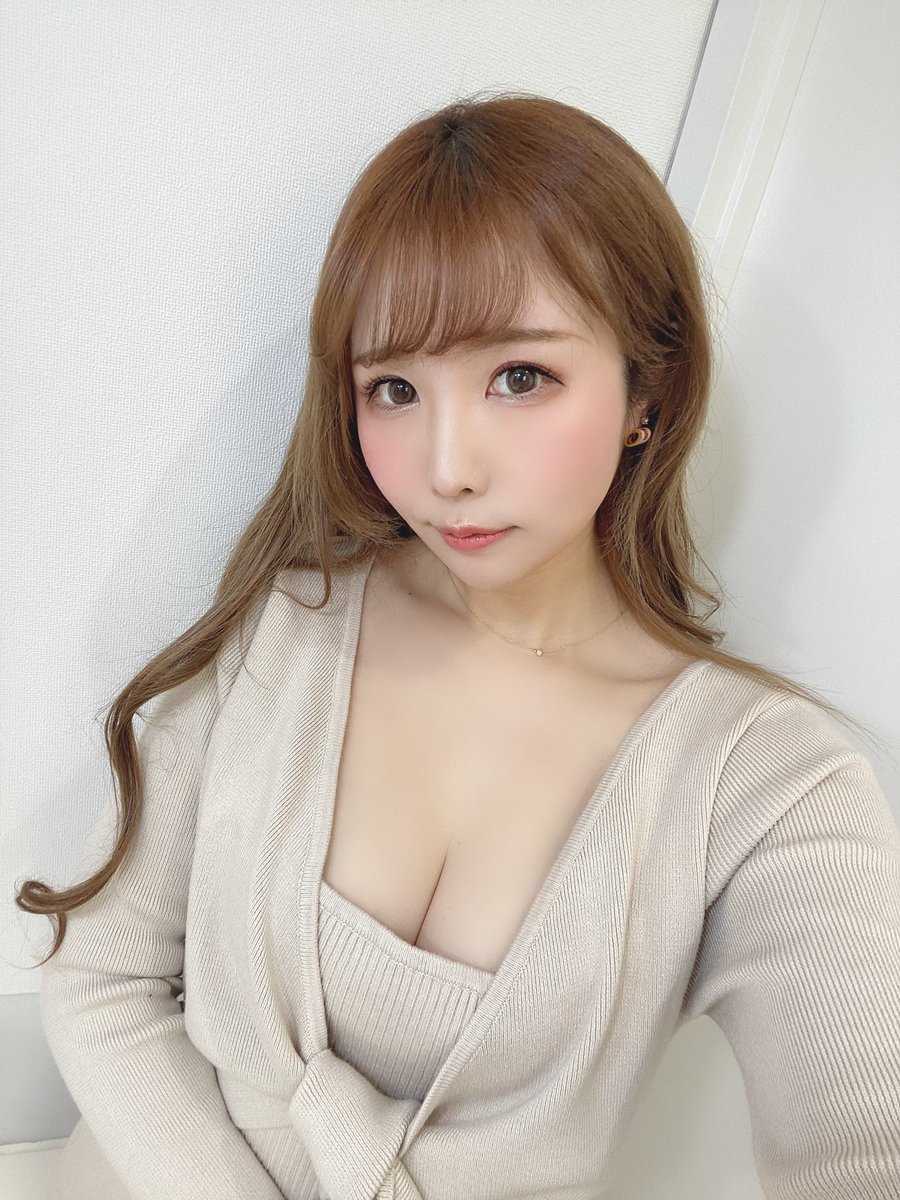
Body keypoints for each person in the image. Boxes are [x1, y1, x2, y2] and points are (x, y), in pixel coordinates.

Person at [19, 91, 900, 1199]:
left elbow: (859, 1148)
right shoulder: (287, 629)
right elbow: (102, 973)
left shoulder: (765, 784)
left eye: (520, 378)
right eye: (393, 388)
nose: (447, 468)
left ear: (649, 390)